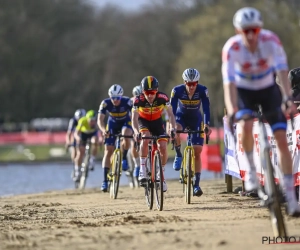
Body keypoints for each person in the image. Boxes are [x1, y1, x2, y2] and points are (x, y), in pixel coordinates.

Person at [222, 7, 300, 216]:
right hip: (244, 92)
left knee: (282, 140)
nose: (250, 35)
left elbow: (283, 71)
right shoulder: (232, 48)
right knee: (245, 124)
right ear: (238, 31)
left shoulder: (271, 41)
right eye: (245, 31)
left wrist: (287, 98)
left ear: (260, 30)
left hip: (268, 91)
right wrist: (232, 110)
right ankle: (250, 176)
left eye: (254, 31)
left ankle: (291, 197)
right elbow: (229, 83)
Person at [170, 68, 212, 197]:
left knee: (197, 150)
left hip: (196, 119)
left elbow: (206, 109)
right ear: (184, 82)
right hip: (180, 117)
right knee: (175, 129)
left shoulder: (202, 91)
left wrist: (206, 124)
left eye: (194, 84)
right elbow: (171, 110)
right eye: (189, 84)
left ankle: (197, 184)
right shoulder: (177, 91)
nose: (192, 87)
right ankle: (178, 154)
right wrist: (170, 126)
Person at [131, 76, 176, 192]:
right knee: (145, 138)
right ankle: (142, 169)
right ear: (143, 91)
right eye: (147, 93)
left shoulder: (163, 98)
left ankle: (161, 175)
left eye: (152, 93)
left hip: (157, 122)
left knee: (163, 146)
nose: (150, 96)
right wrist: (136, 132)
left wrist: (172, 128)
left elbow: (170, 115)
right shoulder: (138, 100)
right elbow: (134, 119)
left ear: (156, 91)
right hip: (143, 121)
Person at [98, 84, 133, 192]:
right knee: (108, 151)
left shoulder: (127, 102)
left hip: (125, 123)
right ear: (110, 97)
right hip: (112, 124)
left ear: (121, 96)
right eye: (113, 98)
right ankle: (104, 181)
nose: (115, 100)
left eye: (117, 98)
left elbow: (135, 115)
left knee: (125, 135)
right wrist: (104, 130)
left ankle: (124, 158)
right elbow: (100, 120)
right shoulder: (105, 103)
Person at [73, 110, 99, 180]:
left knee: (95, 141)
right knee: (80, 152)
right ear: (87, 119)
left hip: (93, 134)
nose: (92, 122)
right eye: (90, 120)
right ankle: (77, 171)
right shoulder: (82, 121)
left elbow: (101, 133)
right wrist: (78, 139)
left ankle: (92, 160)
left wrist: (101, 139)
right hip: (83, 135)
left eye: (94, 120)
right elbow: (76, 133)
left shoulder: (97, 122)